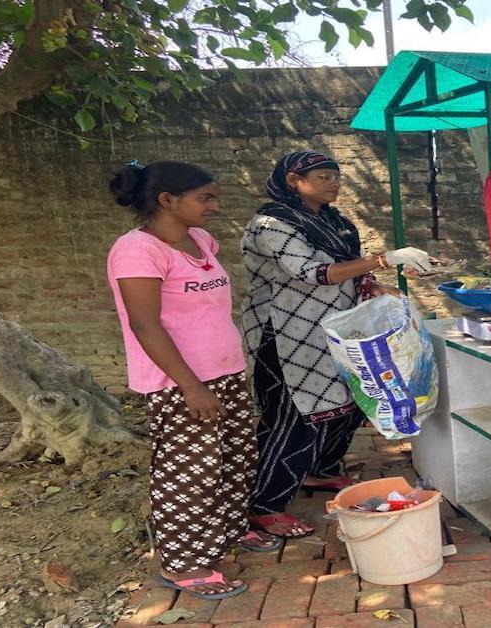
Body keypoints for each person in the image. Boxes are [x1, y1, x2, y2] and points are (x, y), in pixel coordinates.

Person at [106, 160, 280, 600]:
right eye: (206, 198)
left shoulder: (200, 240)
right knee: (189, 472)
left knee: (235, 459)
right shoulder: (137, 251)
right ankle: (184, 564)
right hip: (179, 382)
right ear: (168, 201)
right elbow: (145, 325)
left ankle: (226, 533)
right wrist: (190, 386)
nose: (215, 206)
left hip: (223, 370)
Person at [242, 151, 433, 537]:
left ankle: (319, 472)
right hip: (286, 335)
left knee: (348, 405)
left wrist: (371, 284)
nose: (334, 182)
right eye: (324, 176)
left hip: (334, 329)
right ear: (294, 180)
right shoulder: (270, 225)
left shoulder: (334, 221)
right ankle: (265, 504)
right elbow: (313, 273)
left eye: (336, 176)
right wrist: (382, 259)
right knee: (294, 417)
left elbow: (348, 270)